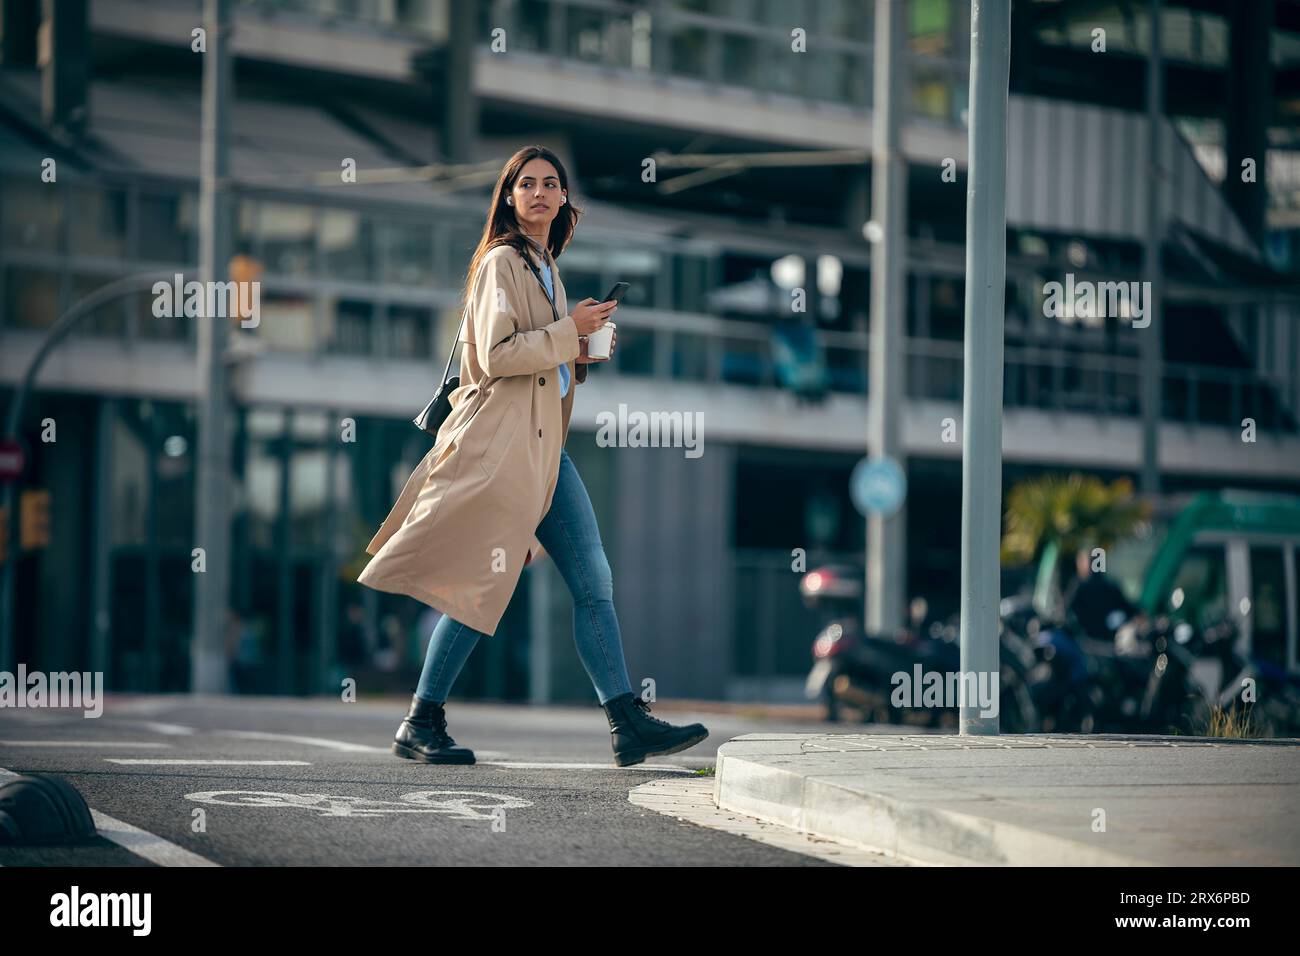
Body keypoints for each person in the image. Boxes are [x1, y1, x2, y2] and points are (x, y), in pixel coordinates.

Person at [358, 145, 708, 767]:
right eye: (528, 184)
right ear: (510, 197)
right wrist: (568, 331)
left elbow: (541, 361)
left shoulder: (546, 264)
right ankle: (421, 720)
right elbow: (497, 357)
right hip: (504, 448)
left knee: (592, 579)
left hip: (546, 451)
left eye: (552, 184)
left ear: (565, 198)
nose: (541, 193)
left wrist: (582, 350)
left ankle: (626, 723)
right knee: (484, 583)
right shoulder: (502, 261)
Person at [1064, 546, 1141, 643]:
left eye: (1081, 561)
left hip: (1086, 644)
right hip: (1110, 644)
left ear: (1088, 563)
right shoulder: (1112, 587)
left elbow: (1068, 615)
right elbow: (1129, 610)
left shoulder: (1079, 588)